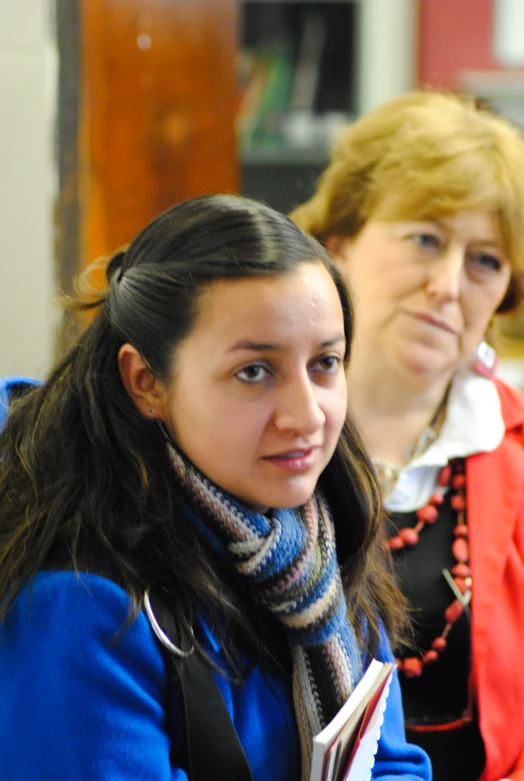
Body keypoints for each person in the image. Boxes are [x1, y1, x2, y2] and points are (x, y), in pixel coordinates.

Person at [0, 194, 430, 781]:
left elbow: (391, 765)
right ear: (146, 382)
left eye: (325, 363)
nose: (306, 415)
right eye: (255, 372)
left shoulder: (324, 545)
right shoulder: (83, 601)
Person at [290, 89, 524, 781]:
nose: (449, 285)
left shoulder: (511, 452)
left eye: (485, 260)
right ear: (340, 243)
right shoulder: (251, 432)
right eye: (426, 237)